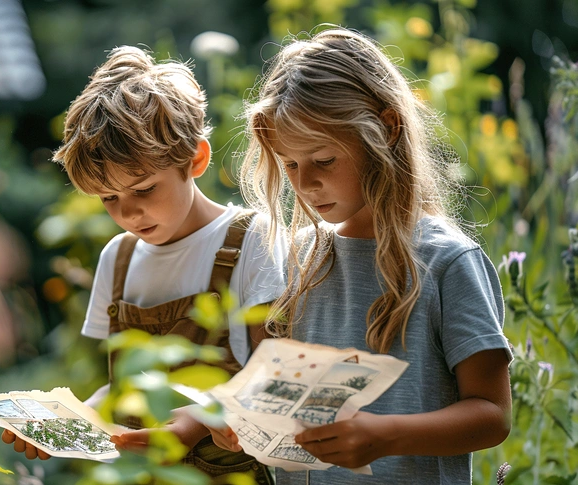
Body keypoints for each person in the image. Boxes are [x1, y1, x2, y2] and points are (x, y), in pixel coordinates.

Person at [211, 27, 512, 484]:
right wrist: (240, 422)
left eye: (324, 159)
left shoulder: (448, 263)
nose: (305, 183)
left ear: (387, 128)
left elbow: (493, 414)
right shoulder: (297, 260)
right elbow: (279, 392)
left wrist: (388, 435)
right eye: (290, 164)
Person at [2, 45, 284, 483]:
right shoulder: (118, 258)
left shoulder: (251, 240)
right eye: (109, 199)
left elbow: (271, 376)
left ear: (196, 159)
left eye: (144, 189)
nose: (129, 214)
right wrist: (68, 422)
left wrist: (193, 425)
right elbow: (120, 390)